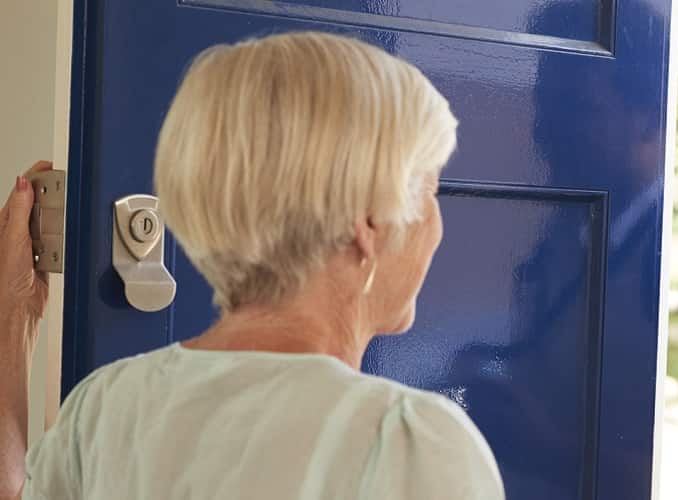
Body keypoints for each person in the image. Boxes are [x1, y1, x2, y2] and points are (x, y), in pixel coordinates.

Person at [0, 32, 506, 500]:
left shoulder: (104, 411)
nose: (438, 226)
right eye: (431, 191)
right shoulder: (412, 445)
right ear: (369, 220)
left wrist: (11, 318)